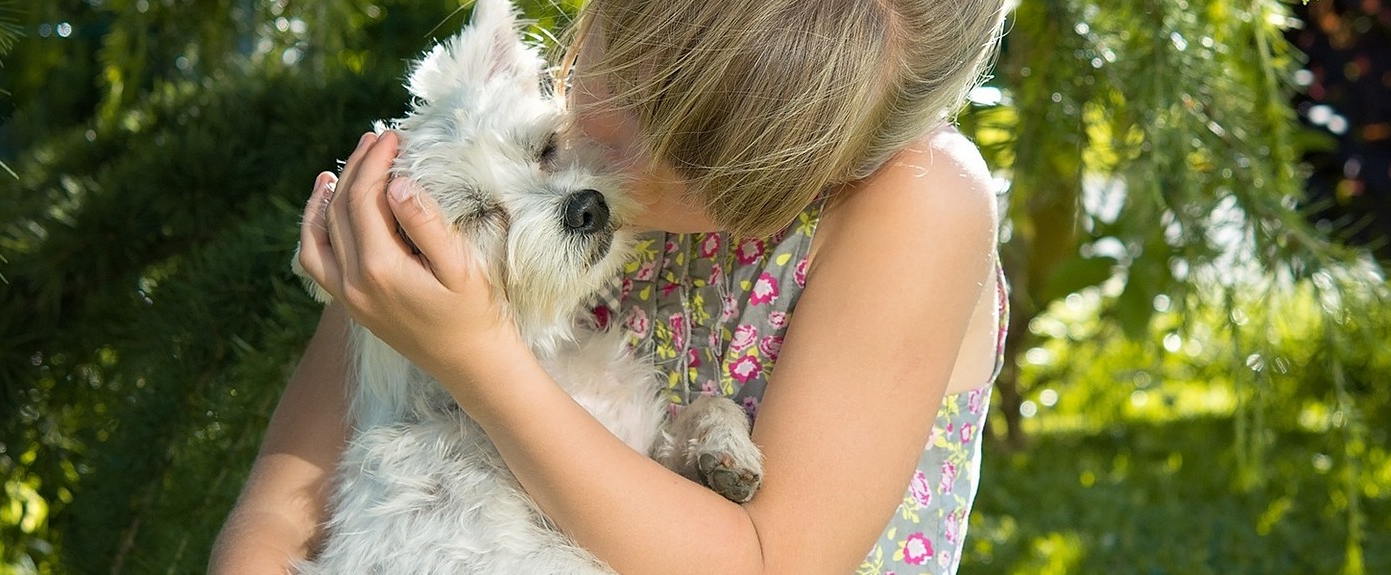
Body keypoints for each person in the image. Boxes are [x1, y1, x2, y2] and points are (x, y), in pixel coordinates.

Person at [209, 1, 1009, 573]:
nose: (608, 171)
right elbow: (286, 504)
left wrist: (478, 357)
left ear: (838, 163)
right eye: (622, 88)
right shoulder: (503, 139)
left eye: (699, 161)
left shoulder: (916, 200)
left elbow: (768, 560)